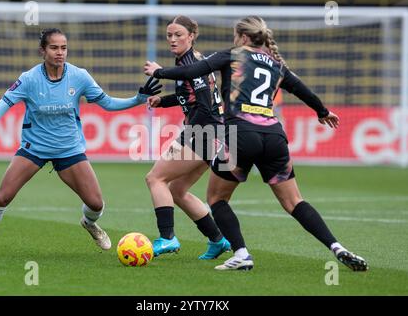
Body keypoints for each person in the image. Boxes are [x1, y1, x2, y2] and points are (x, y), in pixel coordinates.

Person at [144, 16, 369, 271]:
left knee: (216, 198)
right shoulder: (277, 64)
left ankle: (238, 252)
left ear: (242, 37)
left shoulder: (233, 55)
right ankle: (336, 246)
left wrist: (158, 72)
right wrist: (322, 111)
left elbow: (193, 72)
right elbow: (301, 89)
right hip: (274, 136)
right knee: (295, 202)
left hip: (239, 135)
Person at [0, 28, 162, 256]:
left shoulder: (79, 76)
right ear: (42, 51)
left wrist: (137, 99)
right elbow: (2, 107)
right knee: (3, 196)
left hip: (69, 149)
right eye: (54, 48)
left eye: (64, 48)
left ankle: (88, 223)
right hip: (33, 149)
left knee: (96, 204)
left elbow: (106, 103)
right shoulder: (29, 79)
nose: (60, 53)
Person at [144, 16, 231, 259]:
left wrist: (189, 136)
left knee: (155, 178)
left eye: (178, 35)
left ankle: (167, 238)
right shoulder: (193, 62)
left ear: (191, 36)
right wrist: (164, 101)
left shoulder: (192, 63)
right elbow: (191, 97)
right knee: (177, 190)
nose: (172, 39)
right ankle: (217, 240)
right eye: (169, 35)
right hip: (215, 134)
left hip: (203, 132)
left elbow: (203, 106)